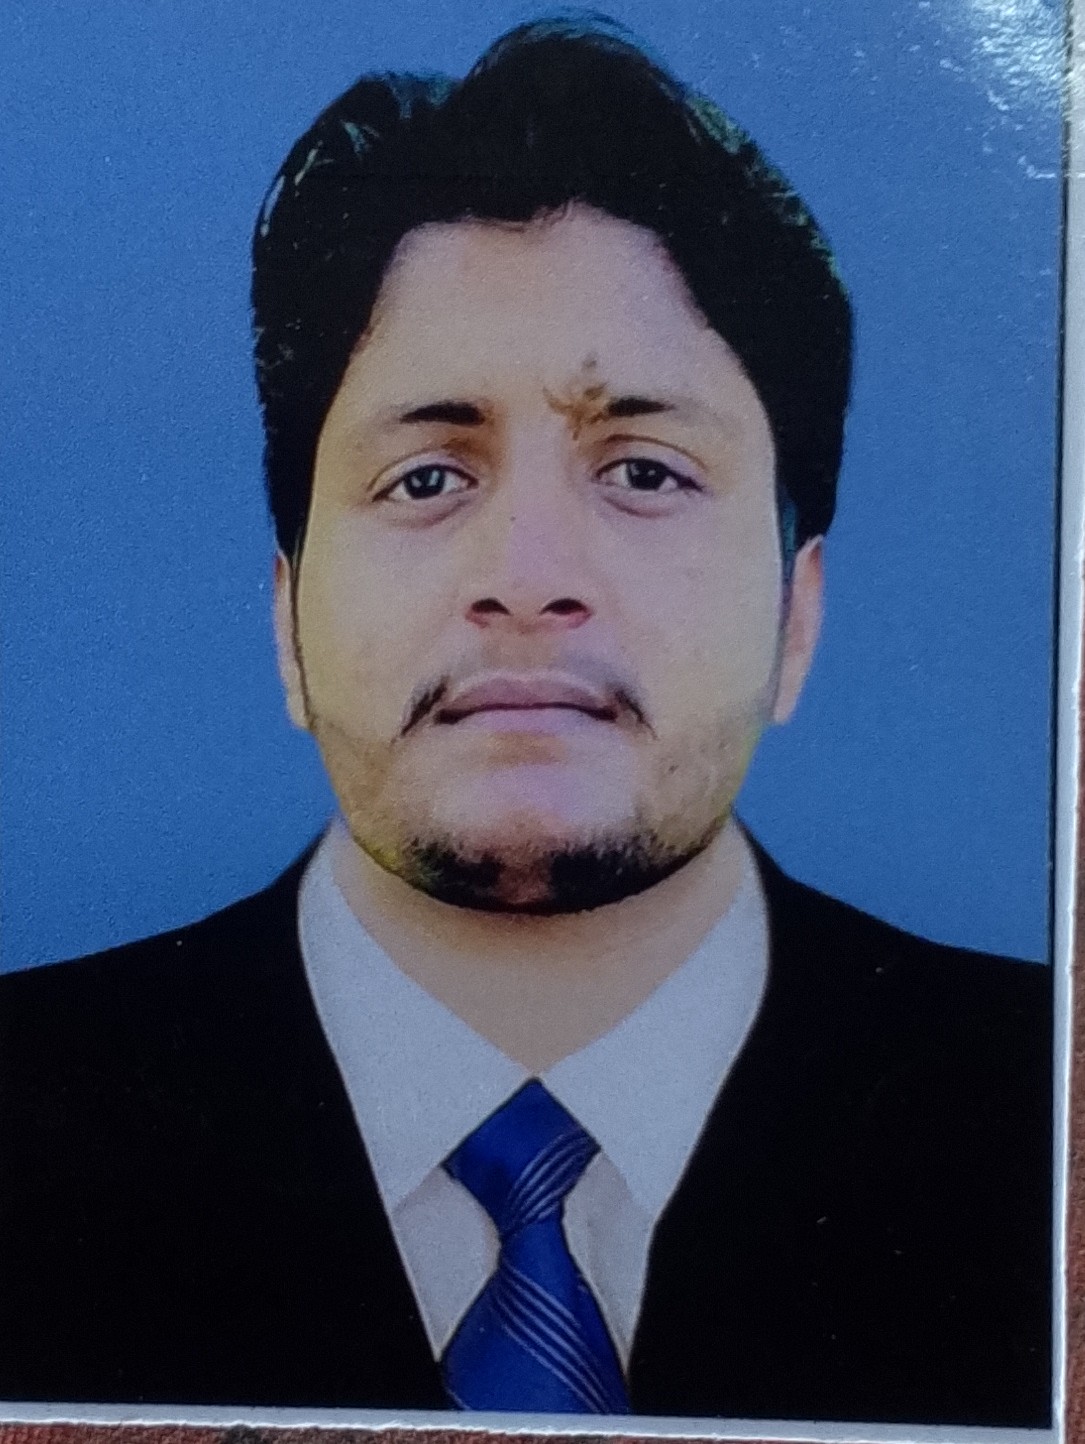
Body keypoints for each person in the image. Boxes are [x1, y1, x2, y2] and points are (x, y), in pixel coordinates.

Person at [0, 17, 1051, 1430]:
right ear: (287, 616)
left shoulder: (1045, 1116)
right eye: (428, 478)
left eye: (644, 470)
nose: (528, 576)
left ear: (797, 613)